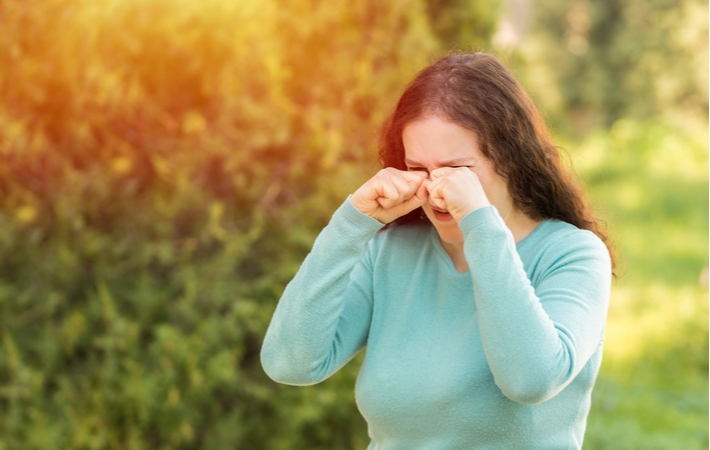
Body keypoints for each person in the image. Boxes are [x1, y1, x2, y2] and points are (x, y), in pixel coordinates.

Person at [260, 52, 614, 449]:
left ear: (509, 159)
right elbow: (290, 364)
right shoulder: (391, 252)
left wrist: (480, 223)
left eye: (456, 169)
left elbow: (530, 380)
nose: (435, 190)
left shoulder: (572, 254)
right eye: (419, 169)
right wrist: (351, 225)